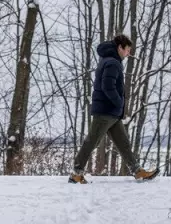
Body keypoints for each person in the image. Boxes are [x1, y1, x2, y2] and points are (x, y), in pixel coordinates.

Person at [68, 34, 159, 183]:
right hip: (106, 111)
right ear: (120, 48)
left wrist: (118, 106)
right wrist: (119, 103)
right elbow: (107, 86)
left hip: (111, 113)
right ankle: (76, 173)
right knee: (92, 141)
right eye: (127, 50)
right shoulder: (112, 63)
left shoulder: (109, 61)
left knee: (123, 143)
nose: (128, 53)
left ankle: (137, 171)